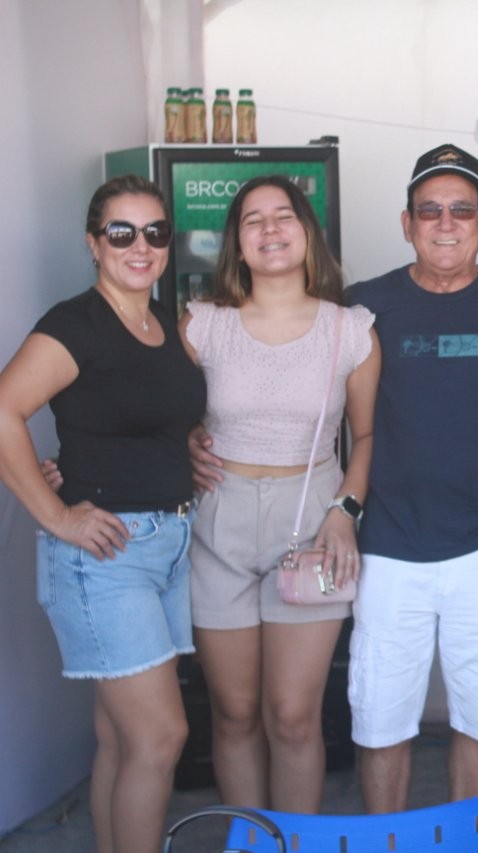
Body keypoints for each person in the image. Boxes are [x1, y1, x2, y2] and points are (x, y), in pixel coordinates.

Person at [344, 144, 478, 810]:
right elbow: (316, 407)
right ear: (406, 223)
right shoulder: (364, 306)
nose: (446, 224)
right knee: (380, 720)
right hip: (386, 544)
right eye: (429, 211)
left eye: (462, 211)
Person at [0, 175, 205, 852]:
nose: (140, 246)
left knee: (121, 738)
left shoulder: (163, 321)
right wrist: (58, 516)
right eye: (122, 232)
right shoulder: (75, 324)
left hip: (169, 544)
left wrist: (191, 450)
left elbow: (150, 421)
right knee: (161, 735)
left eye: (155, 232)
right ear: (94, 243)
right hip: (107, 556)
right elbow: (3, 412)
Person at [181, 174, 380, 813]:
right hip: (220, 520)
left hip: (314, 522)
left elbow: (367, 435)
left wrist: (345, 512)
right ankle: (251, 843)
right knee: (235, 712)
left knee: (293, 715)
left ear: (307, 231)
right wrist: (185, 441)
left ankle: (293, 841)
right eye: (252, 220)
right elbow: (161, 413)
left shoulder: (351, 330)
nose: (270, 229)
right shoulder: (203, 325)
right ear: (236, 244)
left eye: (283, 215)